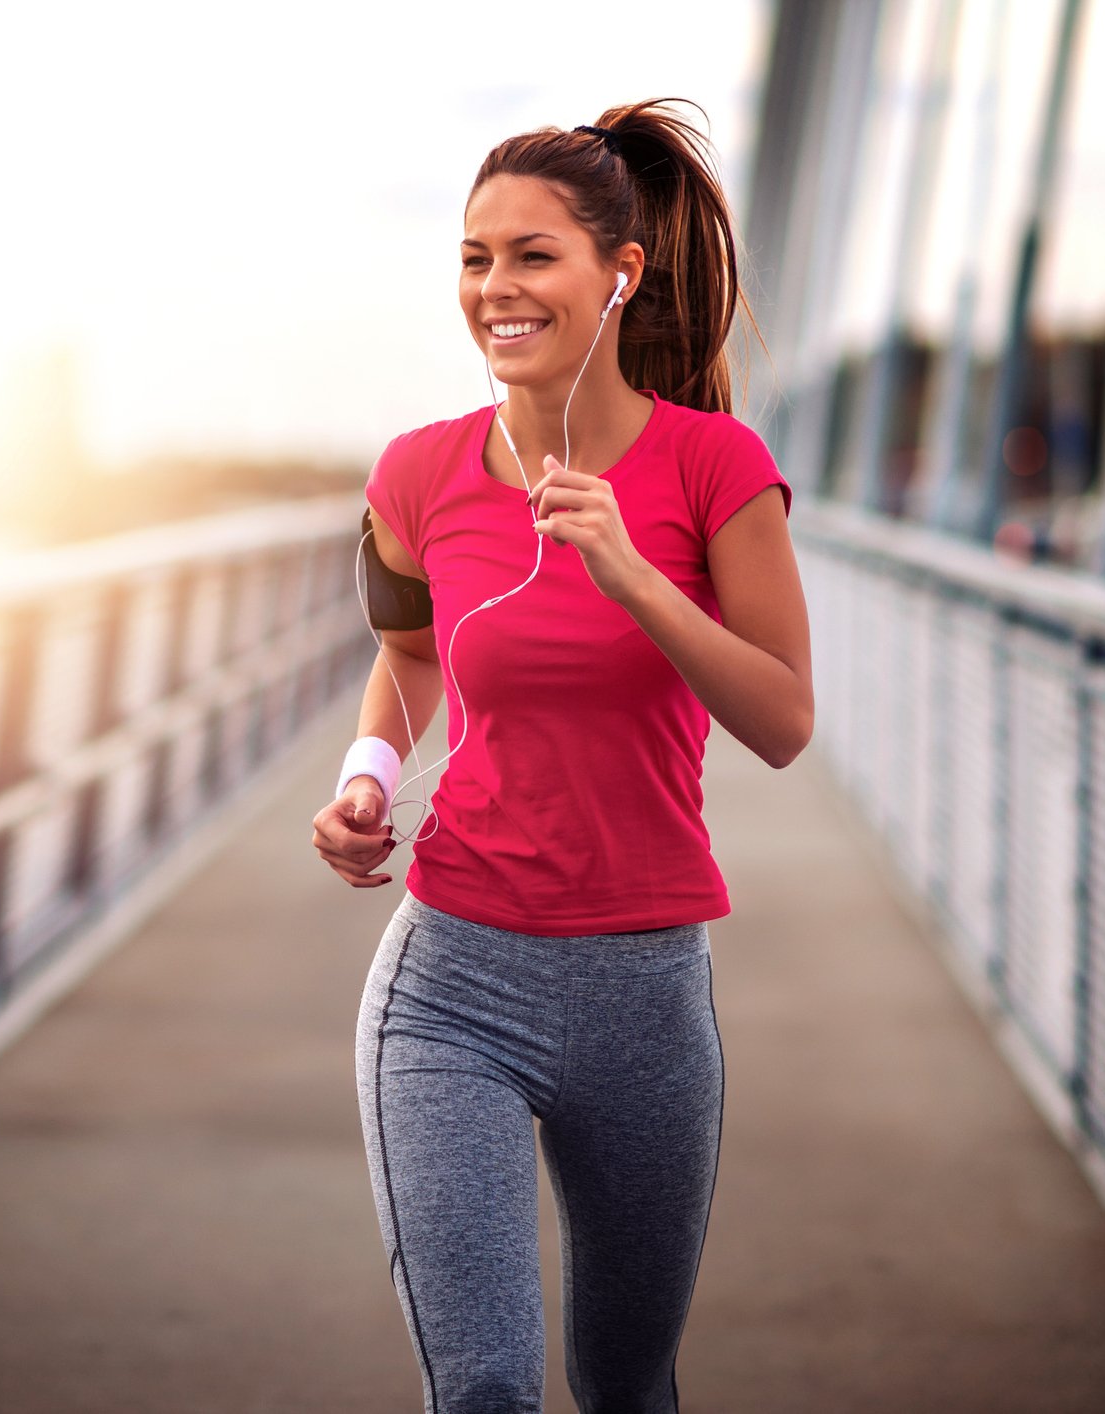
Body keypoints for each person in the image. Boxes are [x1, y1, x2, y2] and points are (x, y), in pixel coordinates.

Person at [309, 98, 814, 1414]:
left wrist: (634, 574)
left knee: (628, 1382)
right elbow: (415, 656)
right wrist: (367, 772)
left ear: (619, 274)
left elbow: (782, 719)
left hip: (648, 995)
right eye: (476, 257)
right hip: (452, 982)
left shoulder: (718, 468)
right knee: (483, 1388)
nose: (495, 288)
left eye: (532, 255)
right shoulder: (418, 473)